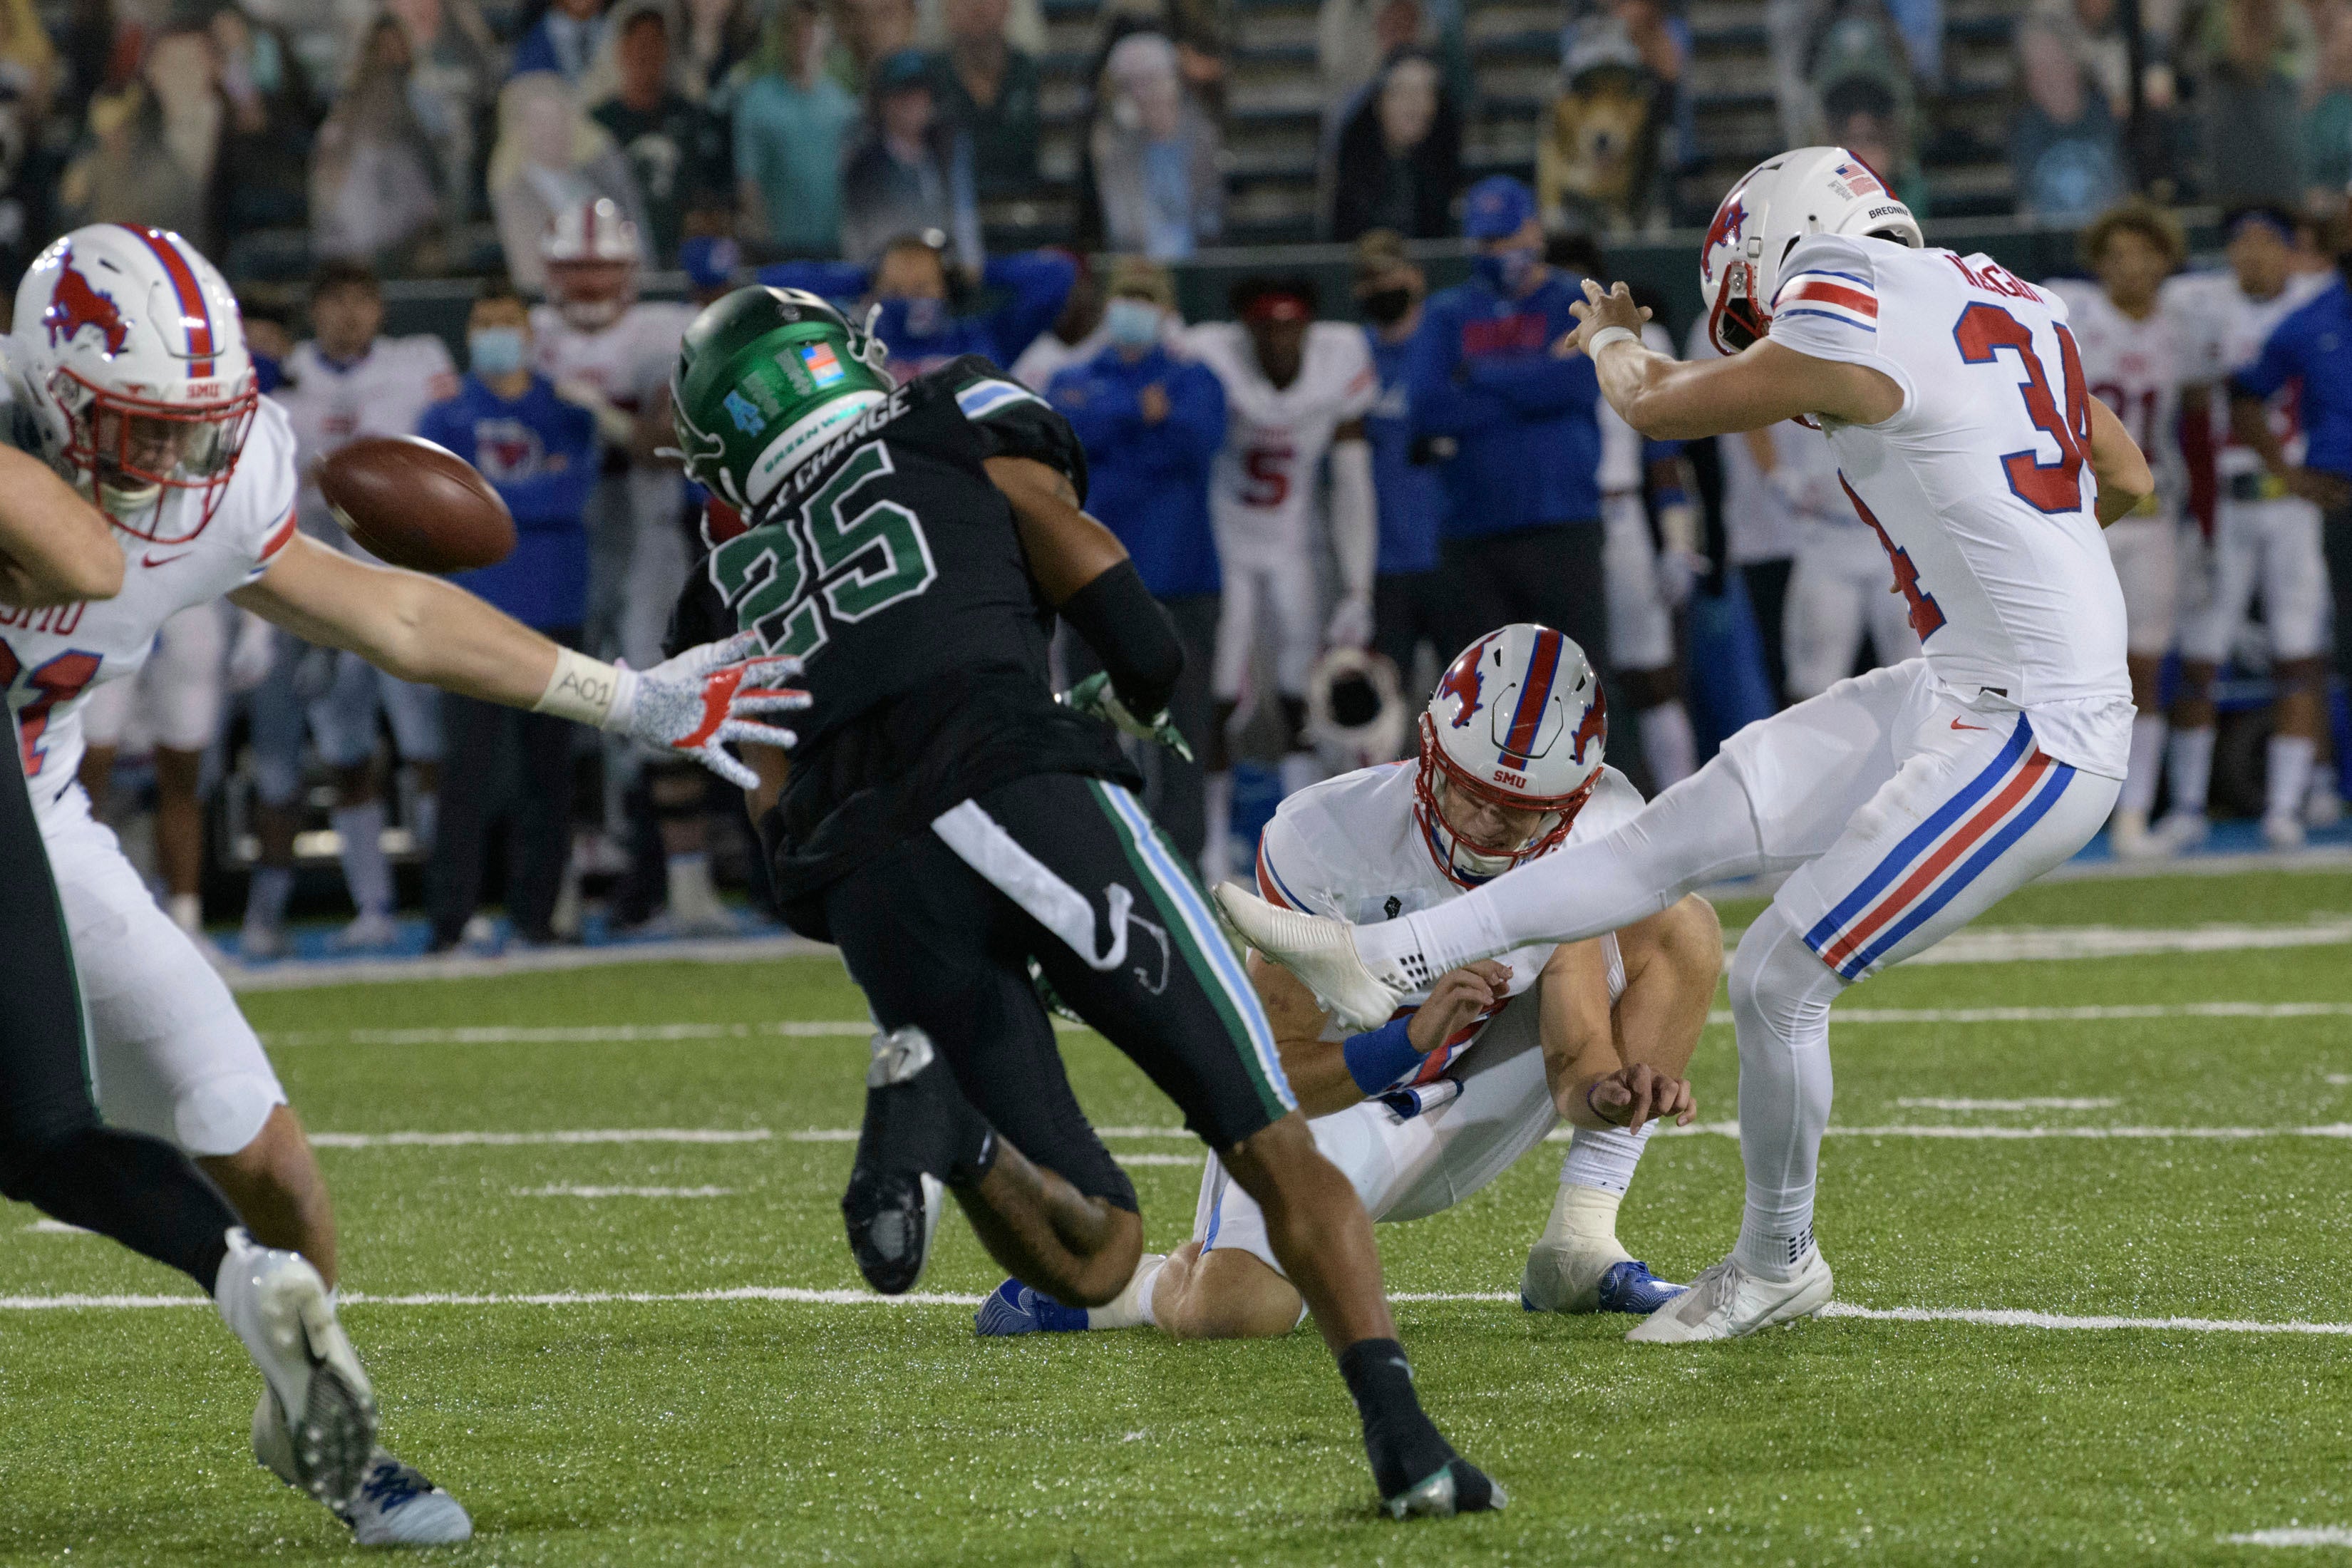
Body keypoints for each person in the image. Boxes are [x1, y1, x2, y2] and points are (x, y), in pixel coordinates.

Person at [1217, 145, 2152, 1343]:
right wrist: (2022, 570)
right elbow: (2117, 476)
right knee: (1679, 830)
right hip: (1966, 679)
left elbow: (1657, 402)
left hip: (2035, 725)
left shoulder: (1847, 284)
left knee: (1777, 975)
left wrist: (1612, 333)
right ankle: (1385, 955)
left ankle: (1778, 1259)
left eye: (1762, 313)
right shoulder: (2009, 295)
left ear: (1789, 242)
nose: (1776, 347)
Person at [5, 226, 794, 1539]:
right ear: (51, 398)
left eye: (207, 426)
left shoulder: (222, 469)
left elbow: (394, 613)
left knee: (273, 1166)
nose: (188, 467)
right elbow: (85, 565)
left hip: (39, 806)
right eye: (150, 433)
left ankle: (322, 1427)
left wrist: (629, 698)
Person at [666, 284, 1500, 1517]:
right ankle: (1407, 1442)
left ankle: (953, 1137)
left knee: (1099, 1247)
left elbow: (779, 842)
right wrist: (1124, 720)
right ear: (834, 368)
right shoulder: (952, 425)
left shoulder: (719, 596)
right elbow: (1129, 622)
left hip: (870, 881)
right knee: (1268, 1133)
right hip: (1017, 784)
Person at [977, 626, 1718, 1340]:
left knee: (1681, 926)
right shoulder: (1328, 838)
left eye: (1522, 811)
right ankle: (1129, 1291)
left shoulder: (1587, 835)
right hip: (1329, 1107)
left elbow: (1576, 1045)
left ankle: (1579, 1243)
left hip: (1472, 1089)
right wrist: (1406, 1040)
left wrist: (1610, 1092)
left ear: (1568, 805)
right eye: (1472, 793)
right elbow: (1268, 1080)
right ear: (1429, 752)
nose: (1490, 823)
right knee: (1234, 1313)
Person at [243, 259, 460, 956]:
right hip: (323, 587)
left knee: (427, 747)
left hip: (403, 580)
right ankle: (374, 906)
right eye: (333, 300)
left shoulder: (418, 363)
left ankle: (447, 903)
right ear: (315, 309)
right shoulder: (286, 376)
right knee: (346, 754)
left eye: (361, 299)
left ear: (380, 307)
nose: (348, 314)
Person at [529, 198, 719, 930]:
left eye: (600, 265)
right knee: (566, 709)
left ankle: (690, 886)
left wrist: (598, 416)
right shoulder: (529, 334)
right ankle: (568, 885)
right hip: (559, 536)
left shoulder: (663, 332)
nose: (586, 282)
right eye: (575, 267)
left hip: (645, 531)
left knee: (663, 703)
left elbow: (665, 444)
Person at [1187, 274, 1379, 880]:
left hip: (1294, 545)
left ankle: (1302, 845)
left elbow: (1353, 482)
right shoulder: (1209, 356)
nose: (1279, 343)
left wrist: (1359, 585)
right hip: (1225, 545)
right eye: (1266, 329)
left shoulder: (1341, 358)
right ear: (1246, 331)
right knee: (1218, 699)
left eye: (1290, 328)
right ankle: (1212, 849)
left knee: (1303, 694)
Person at [2159, 207, 2333, 850]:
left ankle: (2286, 807)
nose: (2252, 255)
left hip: (2292, 503)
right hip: (2221, 504)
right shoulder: (2201, 303)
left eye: (2268, 243)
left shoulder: (2318, 303)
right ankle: (2186, 806)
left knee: (2299, 655)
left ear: (2295, 252)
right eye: (2241, 243)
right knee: (2202, 658)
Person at [1044, 257, 1225, 861]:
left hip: (1182, 579)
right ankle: (1098, 852)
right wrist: (1138, 415)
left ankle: (1183, 859)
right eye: (1127, 295)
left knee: (1186, 733)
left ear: (1168, 310)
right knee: (1090, 729)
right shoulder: (1072, 376)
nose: (1135, 308)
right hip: (1092, 584)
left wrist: (1118, 431)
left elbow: (1199, 441)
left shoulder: (1195, 377)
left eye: (1147, 297)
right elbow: (1064, 429)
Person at [1407, 175, 1607, 681]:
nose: (1496, 252)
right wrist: (1534, 381)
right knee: (1486, 701)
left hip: (1562, 521)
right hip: (1473, 531)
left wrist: (1478, 375)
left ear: (1534, 231)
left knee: (1576, 690)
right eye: (1486, 241)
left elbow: (1580, 382)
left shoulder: (1579, 299)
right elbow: (1429, 407)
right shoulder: (1446, 314)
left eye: (1505, 238)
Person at [2041, 201, 2186, 858]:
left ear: (2165, 260)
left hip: (2152, 516)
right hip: (2080, 511)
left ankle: (2133, 816)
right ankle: (2053, 814)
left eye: (2143, 253)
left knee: (2146, 668)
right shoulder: (2066, 313)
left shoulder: (2187, 325)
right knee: (2060, 667)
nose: (2130, 268)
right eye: (2116, 255)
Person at [2222, 232, 2352, 834]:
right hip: (2335, 500)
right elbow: (2245, 393)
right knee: (2326, 649)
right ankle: (2328, 784)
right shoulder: (2312, 317)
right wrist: (2287, 471)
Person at [761, 234, 1075, 383]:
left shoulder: (985, 339)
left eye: (922, 288)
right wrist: (863, 277)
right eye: (897, 290)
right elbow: (772, 288)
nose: (910, 300)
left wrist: (975, 273)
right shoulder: (852, 347)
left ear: (947, 290)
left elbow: (1058, 274)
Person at [1351, 231, 1446, 708]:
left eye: (1391, 273)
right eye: (1370, 278)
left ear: (1415, 278)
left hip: (1450, 551)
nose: (1382, 285)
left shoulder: (1445, 343)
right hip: (1383, 561)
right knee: (1384, 706)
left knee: (1469, 704)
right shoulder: (1351, 355)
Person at [589, 3, 729, 265]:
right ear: (622, 51)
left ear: (667, 50)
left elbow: (710, 191)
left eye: (655, 43)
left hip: (682, 259)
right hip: (619, 257)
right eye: (639, 44)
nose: (646, 54)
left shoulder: (690, 117)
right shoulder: (599, 124)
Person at [488, 70, 649, 292]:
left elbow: (636, 238)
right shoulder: (516, 192)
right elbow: (532, 275)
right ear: (521, 131)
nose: (551, 131)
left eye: (557, 119)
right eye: (539, 122)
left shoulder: (593, 173)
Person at [732, 0, 858, 255]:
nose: (805, 37)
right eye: (795, 29)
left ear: (827, 35)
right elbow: (748, 178)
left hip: (833, 247)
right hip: (778, 249)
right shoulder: (758, 100)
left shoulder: (843, 105)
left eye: (813, 28)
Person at [1088, 29, 1223, 259]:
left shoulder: (1203, 136)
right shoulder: (1112, 146)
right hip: (1139, 269)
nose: (1140, 94)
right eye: (1129, 85)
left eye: (1149, 80)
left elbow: (1212, 221)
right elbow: (1123, 231)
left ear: (1174, 81)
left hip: (1198, 266)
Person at [838, 48, 979, 269]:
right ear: (883, 102)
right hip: (887, 281)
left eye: (920, 93)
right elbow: (857, 246)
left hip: (942, 280)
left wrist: (965, 271)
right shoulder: (865, 166)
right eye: (902, 94)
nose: (913, 103)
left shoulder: (947, 153)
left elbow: (965, 230)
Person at [1331, 50, 1460, 242]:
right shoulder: (1354, 165)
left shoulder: (1442, 161)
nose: (1415, 104)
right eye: (1403, 92)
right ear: (1379, 101)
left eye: (1426, 92)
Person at [926, 0, 1040, 198]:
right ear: (946, 8)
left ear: (1008, 5)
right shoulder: (928, 78)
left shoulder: (1029, 72)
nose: (977, 7)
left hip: (1024, 204)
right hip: (952, 209)